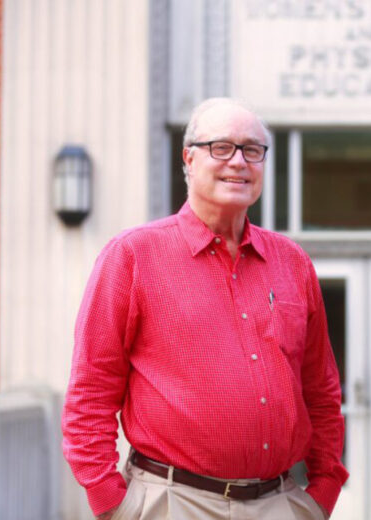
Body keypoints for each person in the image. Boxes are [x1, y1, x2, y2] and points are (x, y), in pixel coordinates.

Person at [62, 98, 348, 520]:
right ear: (189, 158)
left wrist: (321, 493)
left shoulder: (292, 263)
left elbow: (321, 392)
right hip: (172, 503)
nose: (239, 161)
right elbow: (91, 391)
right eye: (222, 147)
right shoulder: (133, 256)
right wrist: (112, 504)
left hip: (279, 503)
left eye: (252, 149)